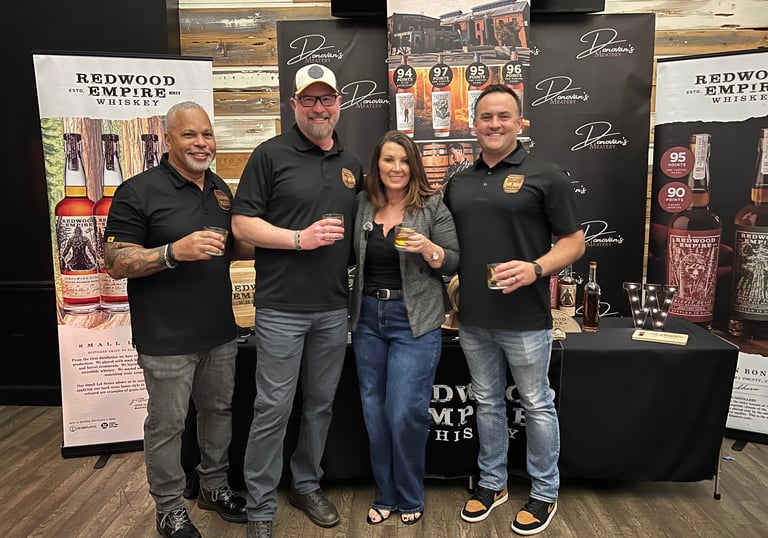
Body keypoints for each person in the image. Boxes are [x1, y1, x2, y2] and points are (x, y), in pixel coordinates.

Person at [104, 101, 252, 538]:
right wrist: (172, 252)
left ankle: (213, 486)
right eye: (190, 135)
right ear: (168, 139)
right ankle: (169, 509)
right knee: (167, 425)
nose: (201, 143)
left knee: (217, 412)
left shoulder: (219, 189)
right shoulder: (137, 191)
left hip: (219, 331)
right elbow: (115, 261)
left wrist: (280, 236)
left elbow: (232, 249)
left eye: (207, 134)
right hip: (166, 337)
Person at [444, 84, 585, 536]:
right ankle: (493, 483)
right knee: (486, 402)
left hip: (525, 318)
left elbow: (574, 242)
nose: (495, 124)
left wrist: (535, 268)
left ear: (520, 122)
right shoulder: (458, 181)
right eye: (486, 117)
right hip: (473, 317)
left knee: (537, 404)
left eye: (504, 116)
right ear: (474, 124)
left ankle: (545, 490)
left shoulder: (546, 175)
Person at [231, 63, 363, 538]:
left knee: (321, 405)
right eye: (309, 99)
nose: (318, 108)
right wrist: (298, 239)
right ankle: (260, 507)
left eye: (326, 98)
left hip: (333, 309)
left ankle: (306, 484)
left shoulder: (352, 164)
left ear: (339, 103)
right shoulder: (269, 155)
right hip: (281, 309)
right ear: (294, 104)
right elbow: (242, 225)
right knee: (273, 408)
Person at [349, 130, 459, 526]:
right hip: (367, 319)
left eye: (403, 160)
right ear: (377, 165)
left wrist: (429, 249)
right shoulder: (362, 204)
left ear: (413, 165)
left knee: (404, 412)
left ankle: (411, 493)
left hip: (414, 320)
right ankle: (387, 493)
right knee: (374, 412)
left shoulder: (432, 205)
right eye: (388, 160)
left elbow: (453, 260)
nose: (396, 168)